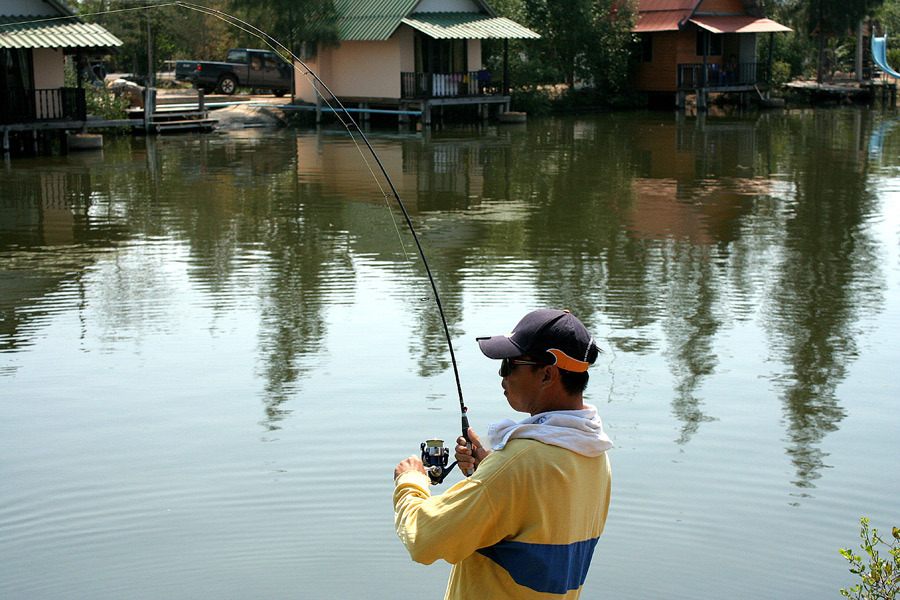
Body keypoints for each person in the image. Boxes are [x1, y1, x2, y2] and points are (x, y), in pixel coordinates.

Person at [393, 309, 613, 599]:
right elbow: (535, 528)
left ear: (547, 374)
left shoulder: (515, 466)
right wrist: (486, 471)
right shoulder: (594, 455)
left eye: (510, 365)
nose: (502, 375)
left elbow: (425, 539)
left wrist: (410, 482)